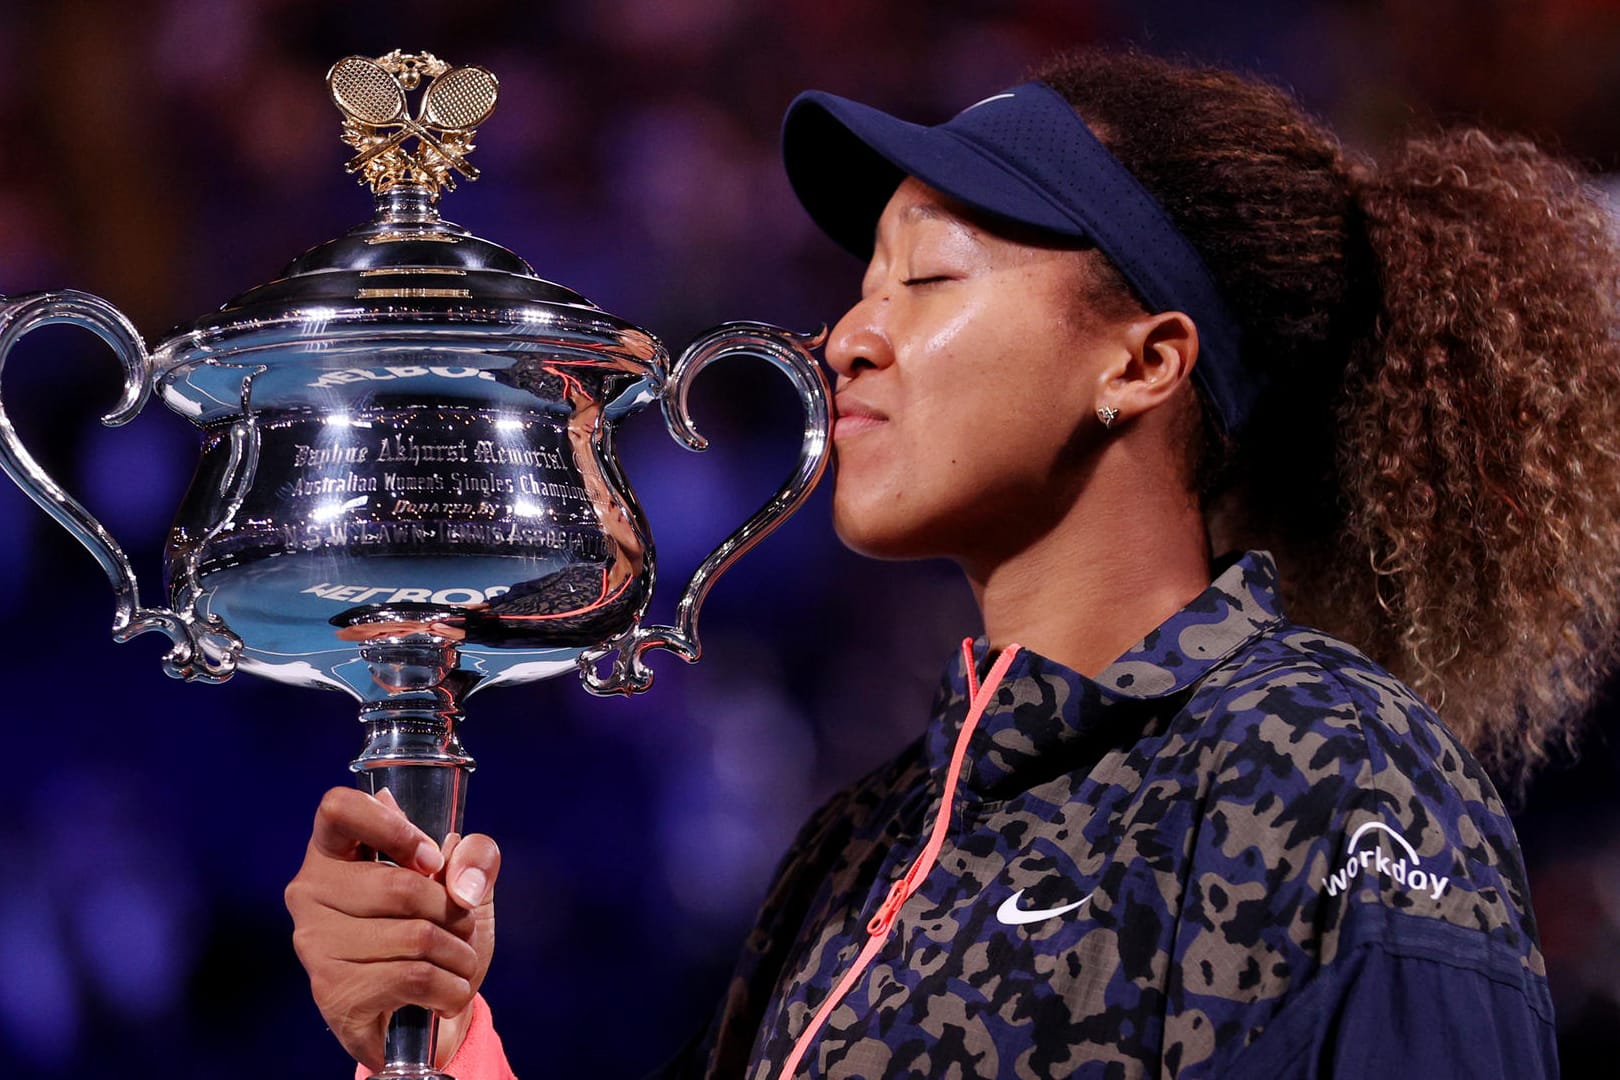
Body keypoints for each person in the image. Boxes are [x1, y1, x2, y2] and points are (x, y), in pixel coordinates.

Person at [282, 47, 1620, 1078]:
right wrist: (431, 1028)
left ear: (1142, 360)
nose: (845, 339)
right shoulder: (857, 854)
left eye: (926, 282)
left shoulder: (1326, 767)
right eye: (861, 285)